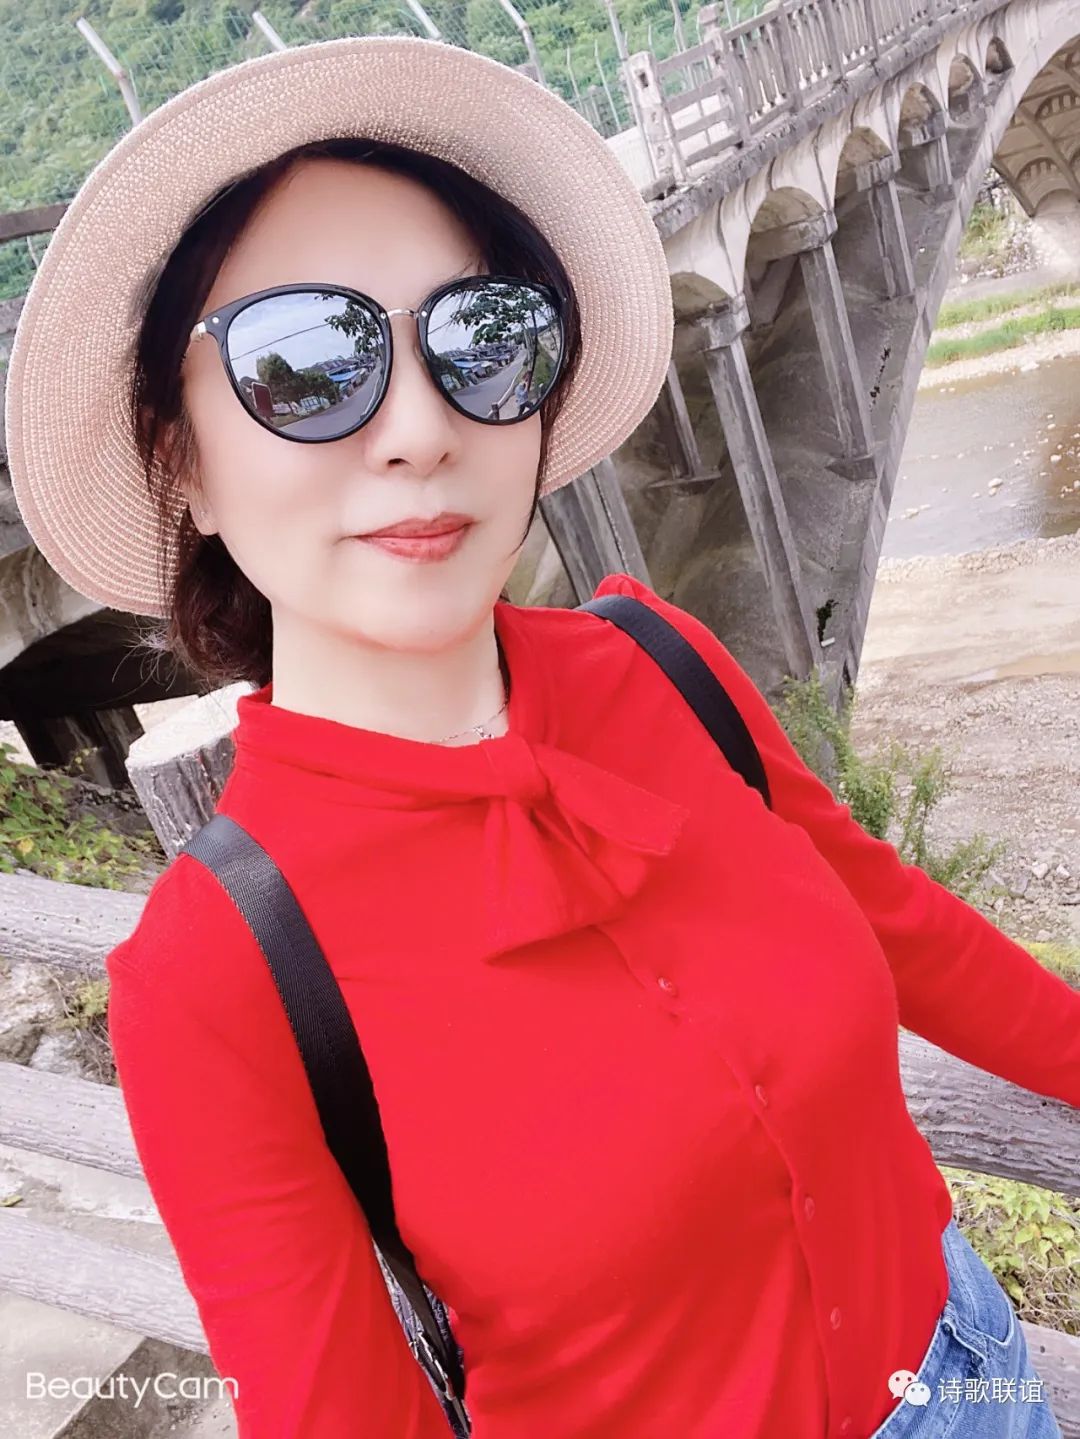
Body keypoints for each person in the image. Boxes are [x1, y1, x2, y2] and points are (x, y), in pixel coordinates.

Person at [5, 34, 1076, 1439]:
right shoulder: (217, 980)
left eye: (481, 338)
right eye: (302, 362)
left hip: (972, 1373)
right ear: (182, 462)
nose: (417, 428)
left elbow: (901, 925)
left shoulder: (662, 665)